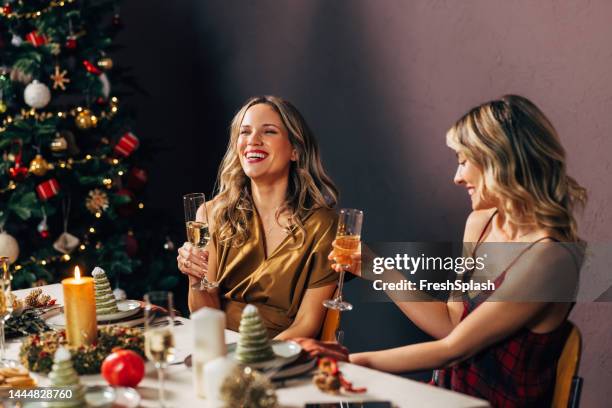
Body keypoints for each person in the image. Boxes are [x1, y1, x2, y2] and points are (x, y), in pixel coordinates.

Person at [299, 95, 586, 407]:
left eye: (464, 162)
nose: (457, 177)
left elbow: (454, 348)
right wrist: (375, 268)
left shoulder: (551, 259)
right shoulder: (481, 223)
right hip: (444, 399)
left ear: (498, 161)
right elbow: (451, 323)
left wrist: (353, 363)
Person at [176, 96, 339, 339]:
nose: (253, 141)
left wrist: (254, 360)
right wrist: (195, 279)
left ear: (295, 150)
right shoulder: (212, 213)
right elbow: (205, 315)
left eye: (269, 131)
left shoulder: (323, 224)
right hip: (220, 348)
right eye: (245, 132)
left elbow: (307, 324)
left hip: (281, 358)